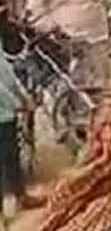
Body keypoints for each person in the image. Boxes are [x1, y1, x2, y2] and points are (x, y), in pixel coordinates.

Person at [34, 98, 111, 231]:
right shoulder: (91, 145)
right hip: (85, 188)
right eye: (103, 124)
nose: (109, 130)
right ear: (95, 125)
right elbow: (75, 174)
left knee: (95, 212)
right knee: (61, 193)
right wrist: (98, 163)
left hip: (108, 194)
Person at [0, 45, 42, 212]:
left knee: (12, 157)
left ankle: (20, 196)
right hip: (3, 113)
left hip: (6, 114)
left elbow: (7, 73)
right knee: (5, 159)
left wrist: (23, 96)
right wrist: (18, 103)